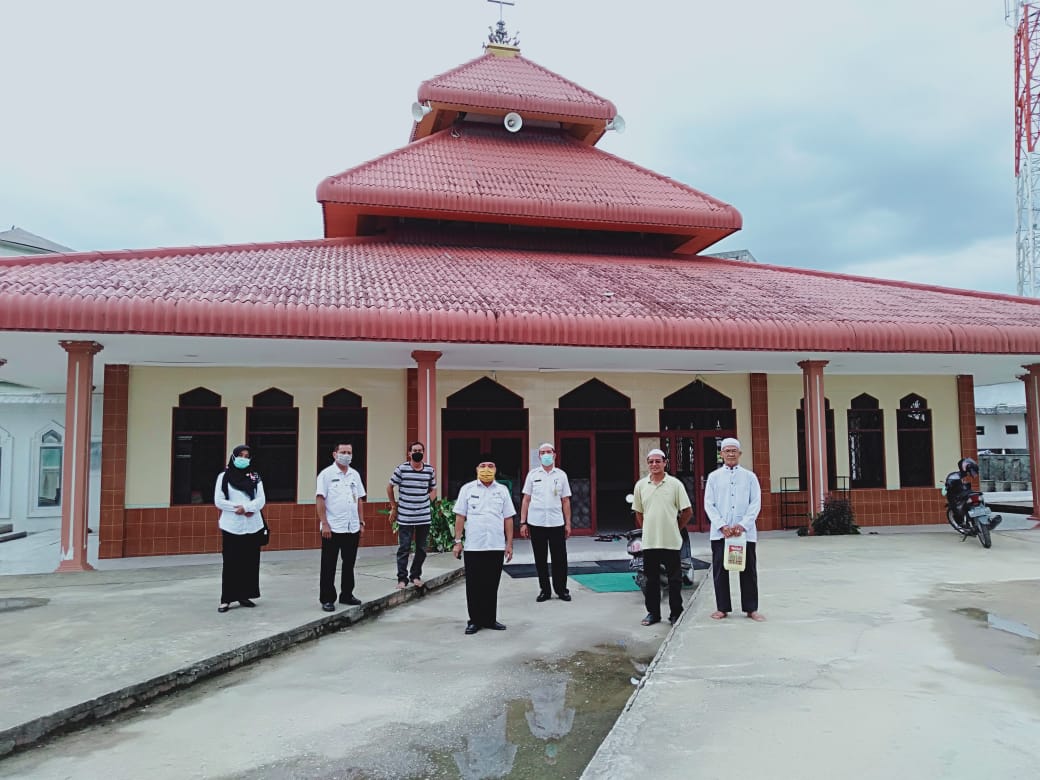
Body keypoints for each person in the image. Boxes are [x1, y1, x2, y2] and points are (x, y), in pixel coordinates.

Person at [453, 453, 515, 635]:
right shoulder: (467, 489)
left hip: (495, 545)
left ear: (496, 469)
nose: (487, 469)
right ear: (477, 469)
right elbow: (460, 517)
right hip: (474, 546)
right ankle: (474, 621)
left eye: (491, 465)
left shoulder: (502, 490)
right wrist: (457, 541)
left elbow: (508, 518)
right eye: (483, 465)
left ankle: (490, 619)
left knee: (491, 584)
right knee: (474, 585)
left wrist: (509, 544)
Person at [704, 437, 764, 621]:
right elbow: (709, 504)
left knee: (748, 571)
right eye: (726, 451)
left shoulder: (749, 476)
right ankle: (722, 608)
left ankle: (751, 609)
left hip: (744, 534)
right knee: (720, 571)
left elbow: (755, 503)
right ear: (721, 454)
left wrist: (742, 525)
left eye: (733, 451)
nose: (730, 454)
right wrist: (722, 526)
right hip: (720, 533)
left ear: (739, 454)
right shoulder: (714, 477)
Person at [631, 448, 692, 626]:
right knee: (651, 580)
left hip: (671, 541)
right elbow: (638, 512)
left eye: (658, 461)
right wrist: (647, 529)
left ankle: (675, 613)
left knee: (674, 580)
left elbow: (687, 511)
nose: (654, 465)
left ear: (665, 463)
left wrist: (676, 527)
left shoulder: (675, 484)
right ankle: (653, 614)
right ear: (647, 464)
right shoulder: (641, 486)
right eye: (651, 462)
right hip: (650, 542)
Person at [214, 444, 266, 613]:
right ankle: (226, 599)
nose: (244, 458)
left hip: (252, 527)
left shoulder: (254, 477)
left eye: (247, 455)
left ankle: (245, 595)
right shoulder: (224, 477)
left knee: (249, 562)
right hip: (232, 526)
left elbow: (261, 500)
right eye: (240, 455)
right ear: (234, 457)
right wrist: (241, 508)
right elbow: (219, 501)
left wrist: (248, 508)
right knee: (230, 562)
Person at [316, 441, 367, 612]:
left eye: (349, 452)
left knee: (349, 563)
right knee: (329, 564)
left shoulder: (354, 474)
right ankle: (327, 598)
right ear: (335, 454)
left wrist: (361, 522)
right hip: (332, 528)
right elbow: (320, 499)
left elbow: (359, 498)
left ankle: (347, 594)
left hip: (351, 527)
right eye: (343, 452)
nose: (346, 455)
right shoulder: (326, 474)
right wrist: (324, 523)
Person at [520, 443, 573, 602]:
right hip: (536, 523)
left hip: (556, 522)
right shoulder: (532, 474)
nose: (546, 455)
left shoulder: (561, 475)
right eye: (542, 452)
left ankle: (561, 590)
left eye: (548, 452)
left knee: (560, 558)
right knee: (540, 558)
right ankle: (545, 590)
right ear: (539, 456)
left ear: (555, 455)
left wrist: (568, 523)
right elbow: (526, 500)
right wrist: (523, 522)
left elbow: (565, 501)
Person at [387, 440, 437, 590]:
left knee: (421, 548)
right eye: (414, 450)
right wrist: (394, 507)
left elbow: (430, 488)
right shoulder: (401, 469)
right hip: (406, 516)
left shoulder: (429, 470)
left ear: (423, 452)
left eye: (420, 450)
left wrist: (418, 498)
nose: (417, 453)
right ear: (409, 453)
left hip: (423, 516)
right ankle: (402, 579)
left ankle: (415, 575)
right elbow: (390, 487)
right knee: (404, 548)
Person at [944, 457, 979, 522]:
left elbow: (948, 486)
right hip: (963, 495)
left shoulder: (957, 475)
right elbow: (949, 485)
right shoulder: (956, 476)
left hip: (963, 495)